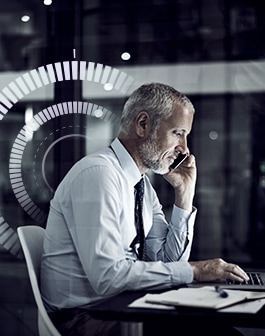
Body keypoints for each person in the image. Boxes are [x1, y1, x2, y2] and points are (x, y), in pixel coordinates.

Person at [40, 82, 249, 335]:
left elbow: (167, 262)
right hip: (86, 320)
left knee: (216, 327)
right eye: (177, 133)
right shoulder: (98, 174)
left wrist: (184, 193)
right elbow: (107, 278)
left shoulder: (141, 185)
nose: (185, 149)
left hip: (123, 307)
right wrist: (196, 270)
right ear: (142, 124)